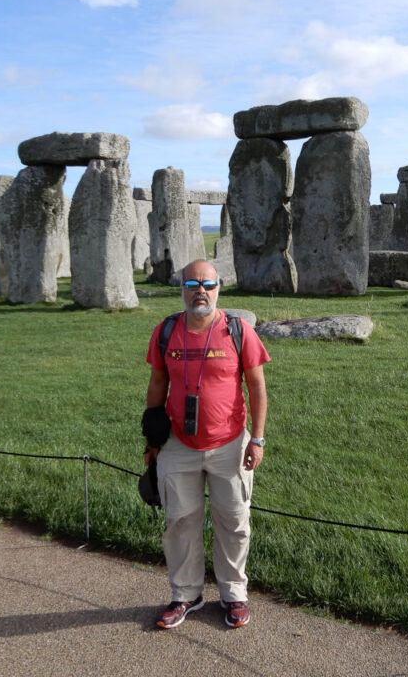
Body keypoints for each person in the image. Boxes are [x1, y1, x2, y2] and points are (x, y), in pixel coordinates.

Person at [144, 259, 270, 630]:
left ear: (219, 289)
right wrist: (152, 441)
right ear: (181, 288)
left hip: (230, 441)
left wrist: (257, 439)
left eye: (209, 284)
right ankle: (186, 594)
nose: (201, 290)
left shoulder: (237, 330)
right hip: (178, 443)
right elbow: (156, 384)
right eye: (193, 283)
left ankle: (234, 594)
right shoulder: (166, 331)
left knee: (233, 521)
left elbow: (257, 386)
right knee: (180, 520)